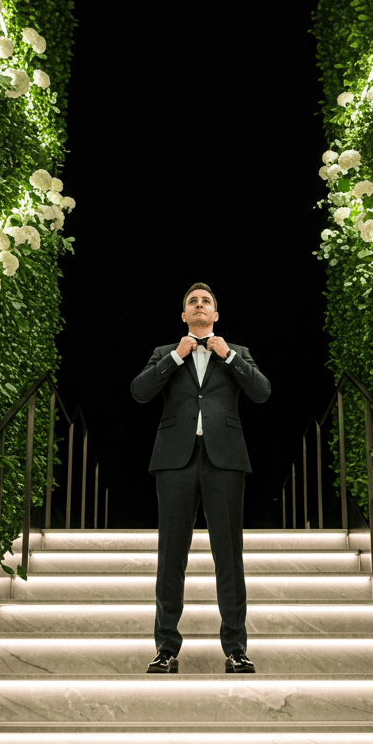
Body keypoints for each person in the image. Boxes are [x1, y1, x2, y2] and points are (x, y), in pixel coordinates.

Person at [130, 282, 271, 674]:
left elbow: (262, 392)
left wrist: (229, 358)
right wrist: (176, 357)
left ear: (215, 314)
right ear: (183, 315)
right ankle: (165, 648)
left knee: (229, 557)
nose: (199, 305)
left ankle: (236, 649)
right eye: (192, 302)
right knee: (170, 557)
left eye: (205, 301)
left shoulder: (237, 352)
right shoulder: (164, 353)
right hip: (174, 462)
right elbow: (140, 391)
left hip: (224, 461)